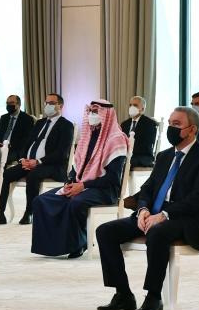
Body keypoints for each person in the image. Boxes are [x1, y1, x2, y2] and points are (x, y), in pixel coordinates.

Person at [95, 107, 199, 310]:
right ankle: (123, 294)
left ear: (192, 129)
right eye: (170, 123)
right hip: (153, 214)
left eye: (176, 124)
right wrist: (143, 209)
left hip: (186, 219)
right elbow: (148, 188)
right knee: (105, 231)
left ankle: (154, 296)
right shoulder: (164, 156)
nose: (171, 128)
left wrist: (164, 215)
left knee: (157, 232)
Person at [31, 100, 128, 258]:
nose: (91, 115)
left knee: (76, 202)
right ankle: (55, 245)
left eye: (95, 112)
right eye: (90, 111)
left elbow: (112, 178)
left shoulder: (116, 139)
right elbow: (76, 167)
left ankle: (80, 242)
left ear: (106, 114)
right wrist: (70, 181)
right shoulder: (88, 135)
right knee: (40, 201)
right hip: (81, 184)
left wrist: (83, 186)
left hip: (105, 190)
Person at [0, 93, 73, 225]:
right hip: (29, 162)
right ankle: (0, 213)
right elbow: (27, 143)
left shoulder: (66, 125)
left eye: (51, 103)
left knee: (33, 175)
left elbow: (62, 153)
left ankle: (29, 213)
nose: (47, 106)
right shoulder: (40, 123)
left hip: (51, 165)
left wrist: (38, 162)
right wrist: (22, 159)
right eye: (46, 103)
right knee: (6, 174)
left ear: (60, 106)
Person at [0, 94, 35, 165]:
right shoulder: (4, 118)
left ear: (19, 104)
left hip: (14, 150)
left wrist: (9, 146)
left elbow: (26, 141)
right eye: (7, 103)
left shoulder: (27, 119)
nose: (9, 105)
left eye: (11, 103)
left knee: (0, 159)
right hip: (0, 147)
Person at [122, 96, 158, 168]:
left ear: (143, 109)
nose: (132, 107)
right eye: (130, 105)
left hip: (143, 156)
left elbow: (147, 145)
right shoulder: (125, 124)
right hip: (126, 155)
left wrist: (129, 151)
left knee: (123, 161)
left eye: (135, 105)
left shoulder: (149, 123)